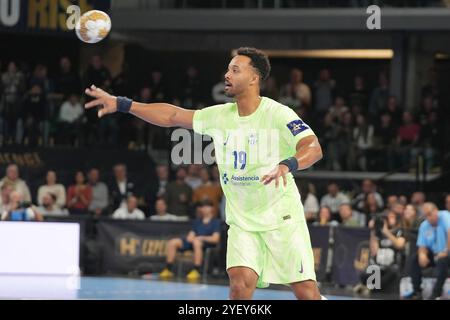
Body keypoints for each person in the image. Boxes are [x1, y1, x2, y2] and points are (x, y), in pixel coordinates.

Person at [84, 47, 324, 300]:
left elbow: (313, 147)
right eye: (228, 69)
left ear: (254, 78)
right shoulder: (220, 115)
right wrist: (123, 104)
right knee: (240, 286)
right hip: (243, 221)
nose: (227, 75)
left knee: (306, 293)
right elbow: (173, 115)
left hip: (281, 217)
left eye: (235, 70)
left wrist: (288, 164)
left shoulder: (277, 114)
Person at [160, 200, 221, 281]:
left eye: (207, 206)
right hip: (193, 242)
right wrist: (192, 238)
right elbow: (190, 236)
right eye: (202, 207)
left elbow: (215, 239)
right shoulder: (197, 221)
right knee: (173, 242)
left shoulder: (216, 222)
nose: (204, 209)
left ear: (212, 208)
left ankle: (196, 270)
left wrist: (201, 238)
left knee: (197, 242)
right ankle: (168, 269)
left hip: (206, 244)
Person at [354, 210, 406, 296]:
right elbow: (374, 252)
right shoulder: (379, 233)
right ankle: (368, 287)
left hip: (392, 266)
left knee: (392, 271)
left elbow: (399, 245)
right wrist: (374, 231)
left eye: (391, 217)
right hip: (379, 266)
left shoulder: (399, 232)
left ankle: (370, 288)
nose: (388, 219)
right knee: (366, 272)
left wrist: (386, 231)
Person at [406, 203, 450, 300]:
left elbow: (449, 232)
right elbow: (422, 245)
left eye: (430, 214)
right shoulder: (424, 225)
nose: (428, 218)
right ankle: (417, 292)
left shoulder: (445, 216)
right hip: (435, 254)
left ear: (436, 211)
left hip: (448, 253)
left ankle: (436, 294)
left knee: (443, 260)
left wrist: (446, 251)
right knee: (415, 259)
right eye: (426, 215)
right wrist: (422, 254)